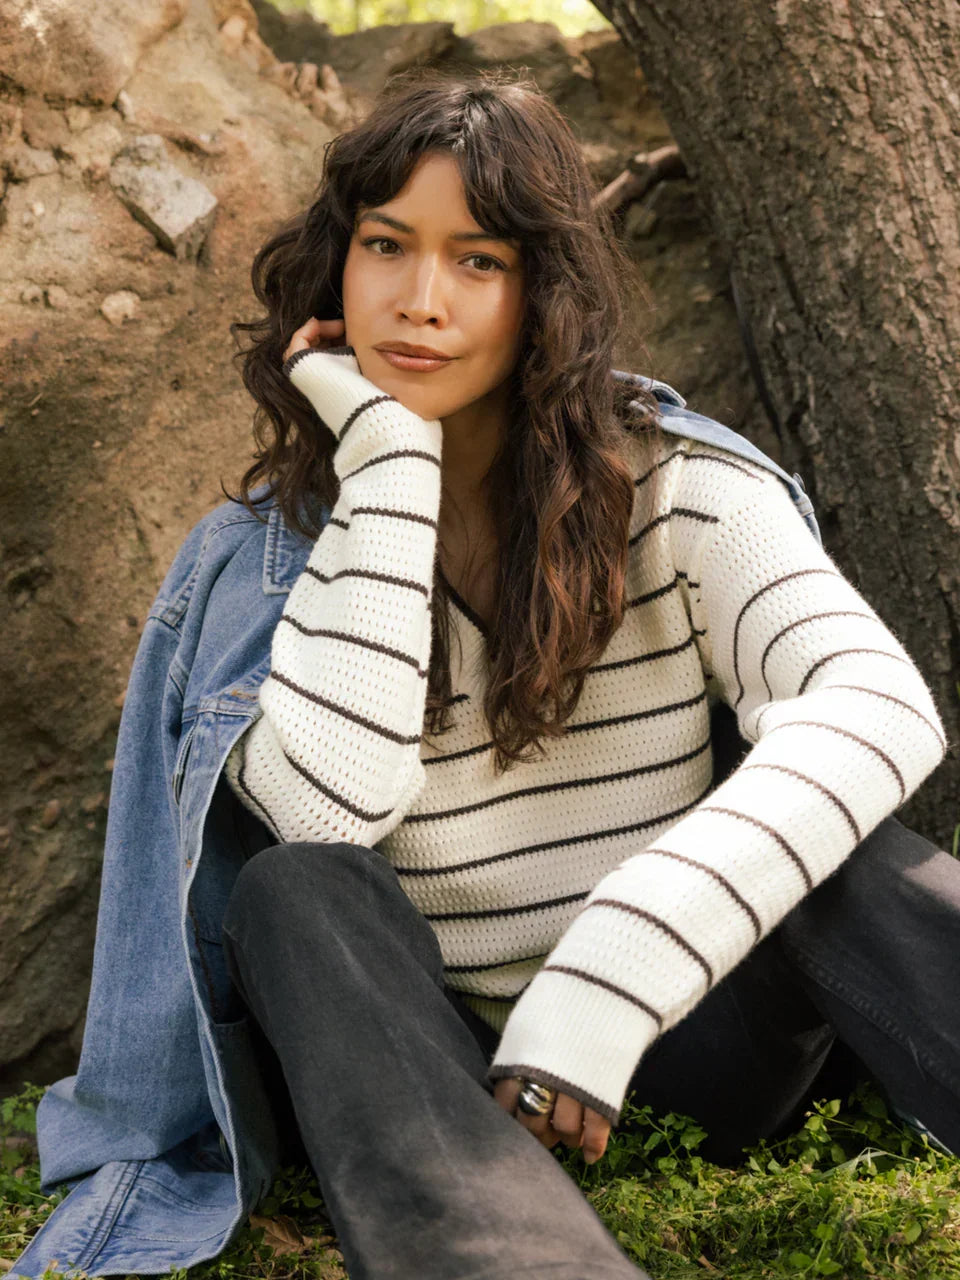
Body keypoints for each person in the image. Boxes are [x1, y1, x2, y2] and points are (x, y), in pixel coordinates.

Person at [10, 68, 957, 1280]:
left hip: (683, 1035)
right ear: (335, 270)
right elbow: (330, 813)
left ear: (542, 292)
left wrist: (609, 978)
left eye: (478, 261)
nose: (420, 300)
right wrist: (390, 470)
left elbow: (879, 706)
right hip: (431, 1083)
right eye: (385, 245)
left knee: (842, 846)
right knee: (293, 891)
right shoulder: (260, 565)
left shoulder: (677, 487)